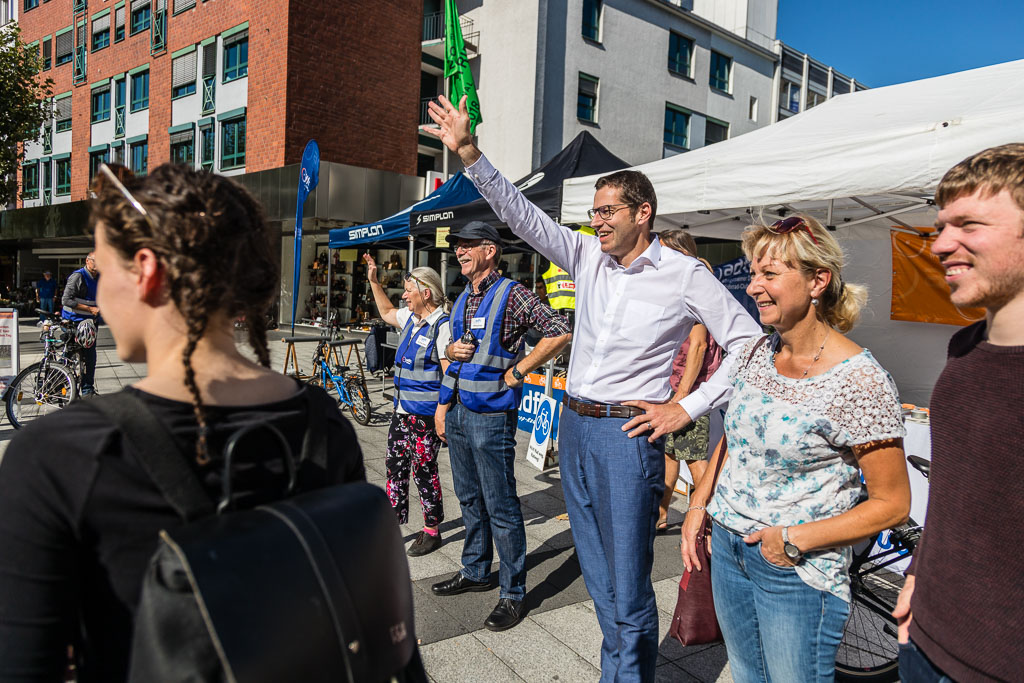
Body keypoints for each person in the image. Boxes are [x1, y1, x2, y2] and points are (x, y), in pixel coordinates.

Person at [427, 95, 760, 682]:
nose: (597, 220)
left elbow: (751, 344)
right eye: (595, 210)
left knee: (627, 580)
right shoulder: (586, 255)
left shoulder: (685, 274)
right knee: (600, 575)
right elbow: (524, 216)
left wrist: (688, 406)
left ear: (643, 213)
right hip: (575, 426)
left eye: (609, 210)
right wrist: (470, 154)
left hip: (626, 435)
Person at [0, 163, 365, 681]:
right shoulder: (323, 422)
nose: (99, 293)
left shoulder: (56, 457)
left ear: (145, 270)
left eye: (103, 271)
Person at [681, 214, 911, 682]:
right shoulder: (753, 353)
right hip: (728, 548)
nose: (753, 287)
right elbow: (736, 438)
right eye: (752, 273)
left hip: (796, 568)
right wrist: (699, 504)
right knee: (747, 675)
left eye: (769, 274)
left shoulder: (860, 380)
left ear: (817, 281)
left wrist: (790, 541)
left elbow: (893, 504)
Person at [893, 144, 1024, 683]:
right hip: (924, 641)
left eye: (968, 225)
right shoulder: (965, 346)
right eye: (940, 226)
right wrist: (920, 574)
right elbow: (959, 493)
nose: (941, 245)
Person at [430, 220, 571, 632]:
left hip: (491, 417)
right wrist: (443, 405)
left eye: (467, 245)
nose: (459, 251)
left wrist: (518, 372)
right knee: (470, 498)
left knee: (501, 505)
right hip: (458, 412)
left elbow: (559, 331)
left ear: (490, 250)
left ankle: (512, 593)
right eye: (457, 246)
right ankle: (475, 572)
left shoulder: (512, 295)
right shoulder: (461, 300)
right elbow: (456, 358)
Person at [364, 254, 451, 557]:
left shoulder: (442, 326)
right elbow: (387, 311)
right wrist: (374, 281)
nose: (403, 296)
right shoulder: (412, 319)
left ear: (426, 293)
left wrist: (442, 412)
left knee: (424, 470)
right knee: (394, 467)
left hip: (425, 417)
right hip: (402, 413)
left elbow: (449, 373)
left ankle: (431, 529)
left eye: (408, 291)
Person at [655, 230, 724, 531]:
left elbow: (697, 346)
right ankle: (659, 515)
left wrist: (682, 396)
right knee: (671, 455)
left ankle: (711, 520)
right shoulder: (692, 282)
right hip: (682, 390)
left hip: (690, 392)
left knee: (695, 461)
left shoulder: (696, 286)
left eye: (664, 252)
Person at [61, 252, 101, 395]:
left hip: (90, 324)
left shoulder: (101, 277)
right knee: (69, 354)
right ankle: (61, 386)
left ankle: (87, 390)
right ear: (87, 261)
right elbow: (66, 300)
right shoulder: (78, 276)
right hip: (73, 321)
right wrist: (90, 309)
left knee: (90, 357)